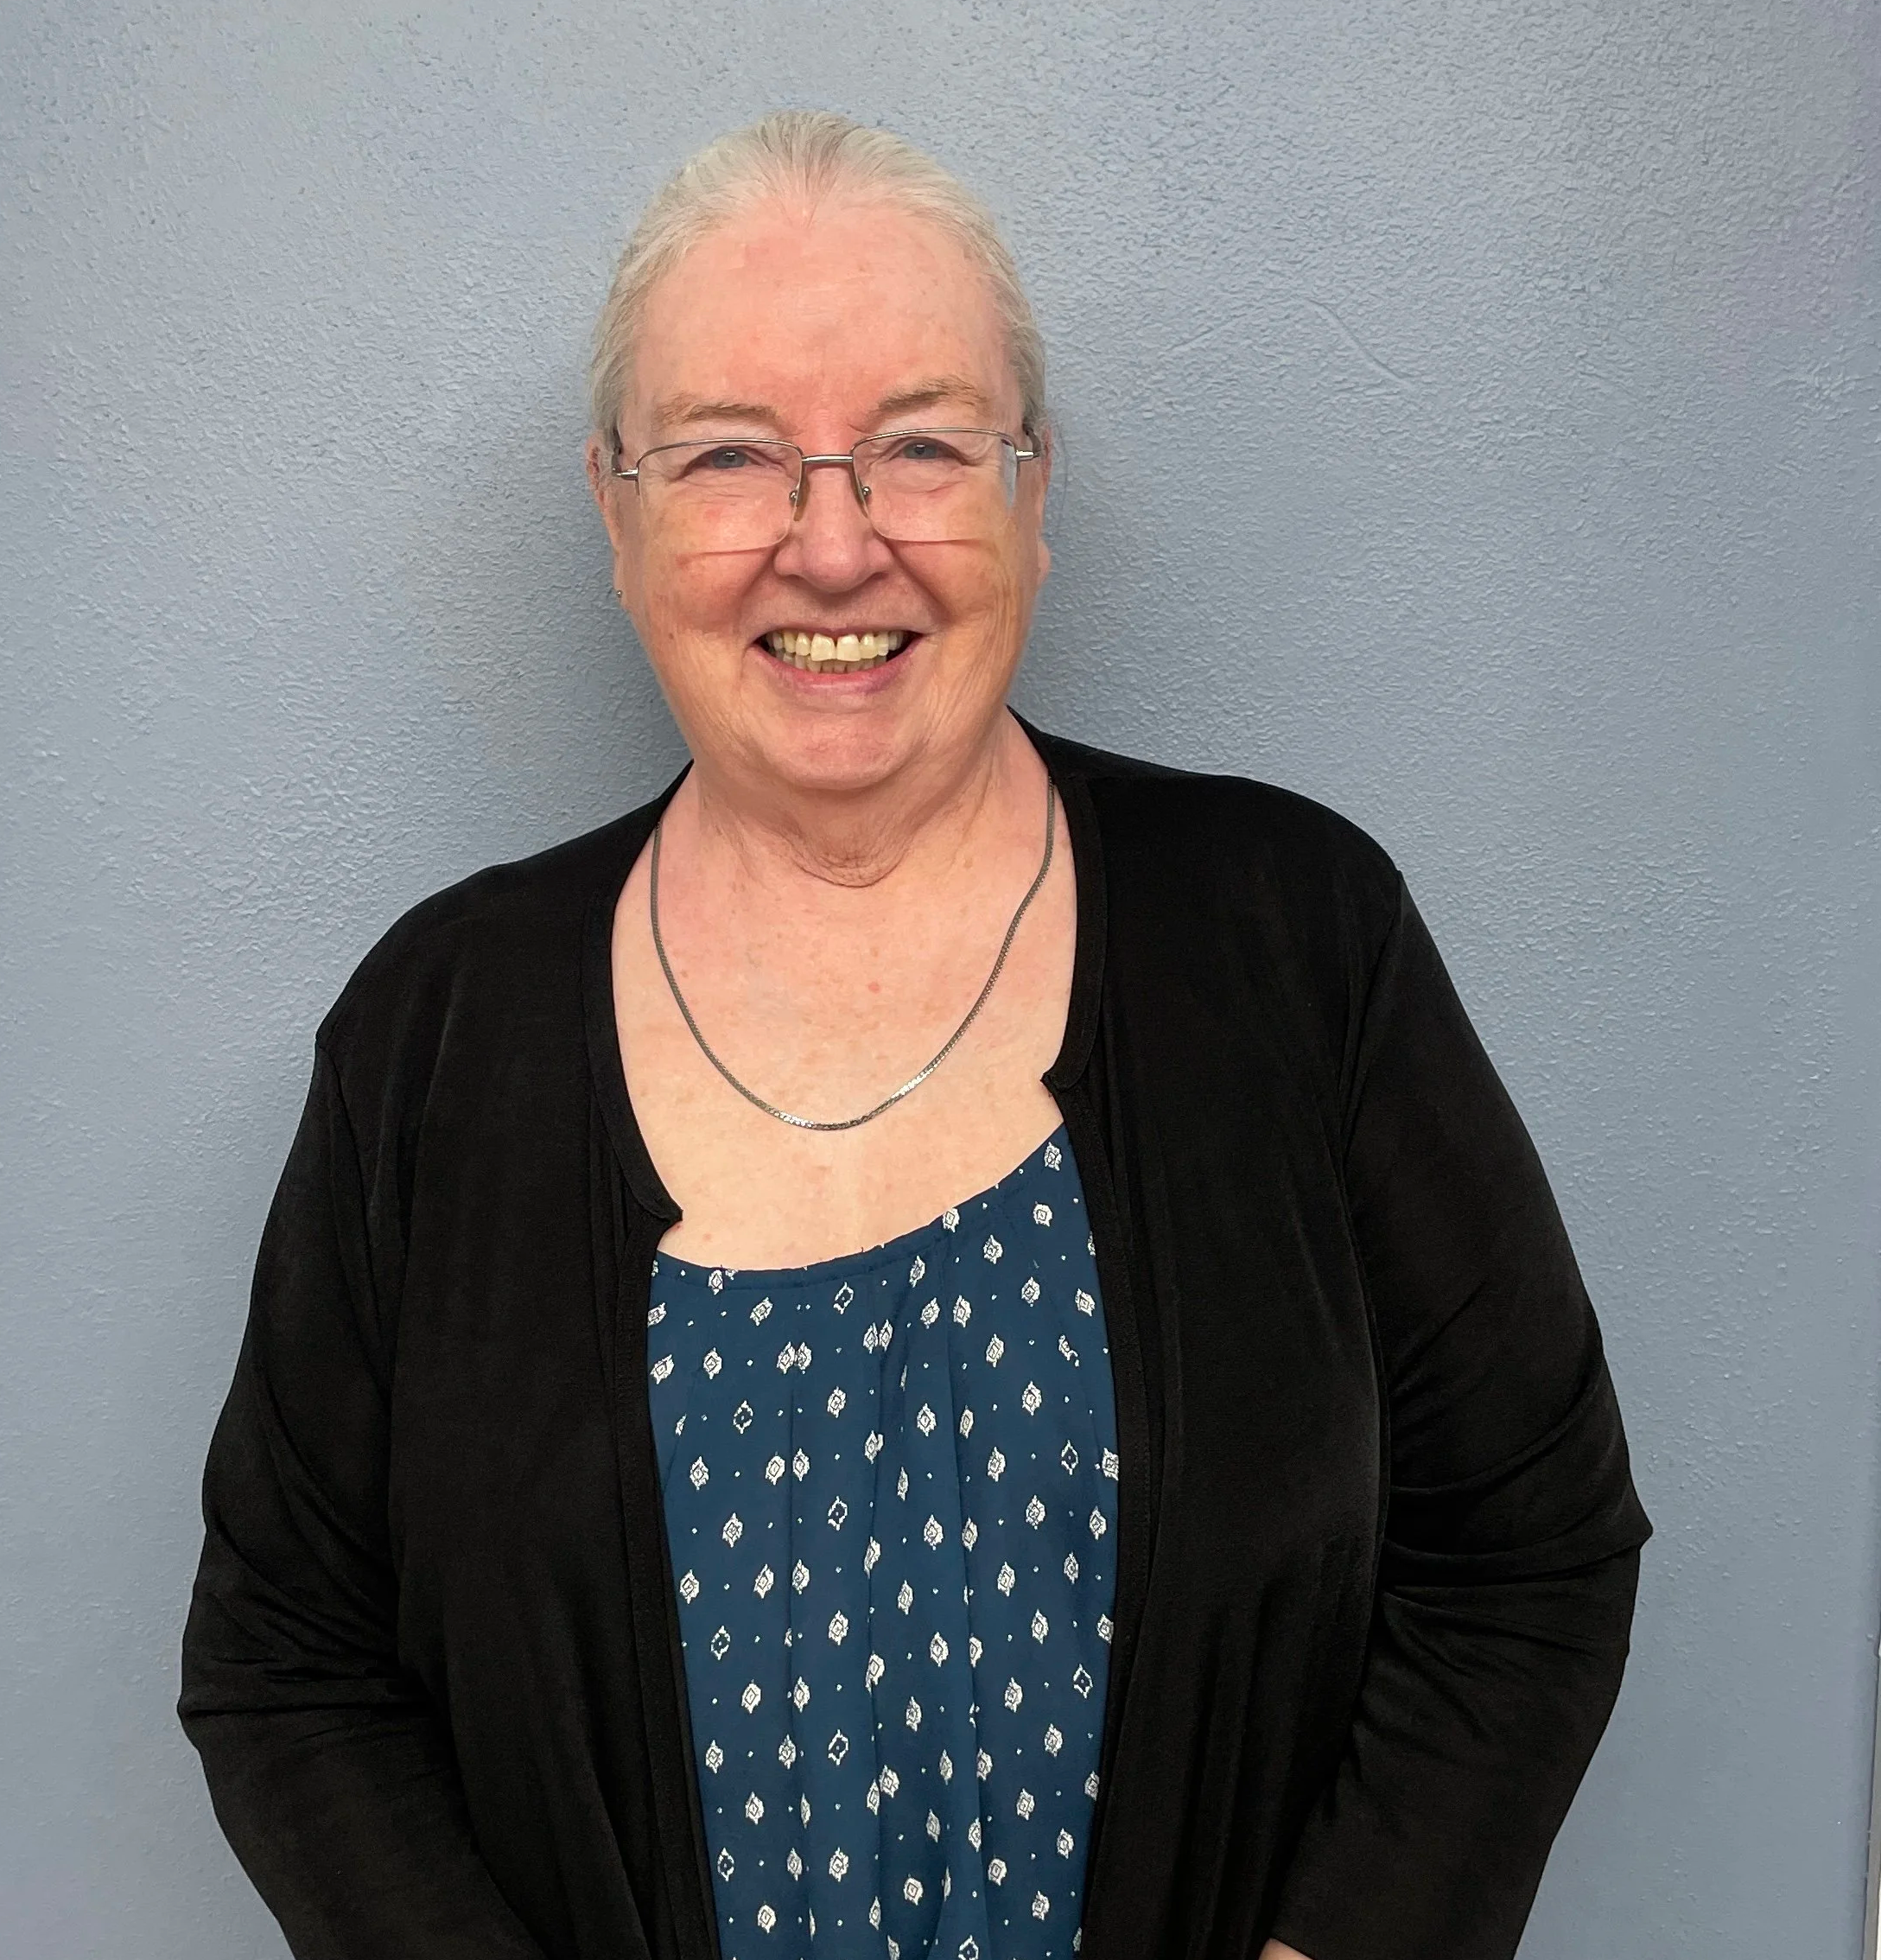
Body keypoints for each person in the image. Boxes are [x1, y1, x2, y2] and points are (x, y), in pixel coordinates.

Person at [180, 111, 1651, 1960]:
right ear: (617, 513)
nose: (832, 545)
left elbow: (1526, 1554)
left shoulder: (1300, 939)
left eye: (924, 448)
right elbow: (287, 1660)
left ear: (1035, 498)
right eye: (730, 454)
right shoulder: (434, 1031)